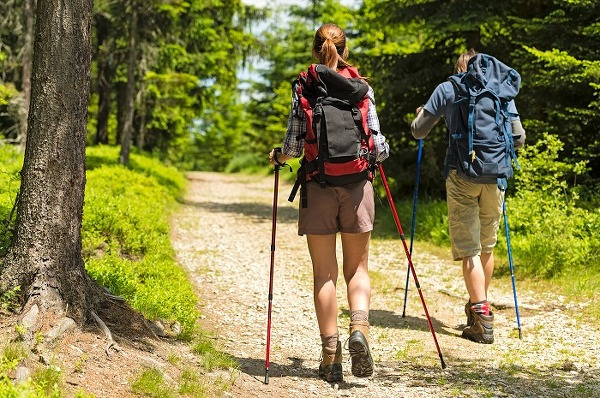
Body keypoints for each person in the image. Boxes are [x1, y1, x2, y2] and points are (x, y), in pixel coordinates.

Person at [269, 23, 389, 382]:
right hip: (357, 188)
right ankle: (360, 330)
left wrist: (279, 156)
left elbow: (293, 145)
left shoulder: (304, 86)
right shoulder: (361, 88)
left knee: (325, 273)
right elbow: (378, 145)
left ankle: (331, 356)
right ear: (345, 50)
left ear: (315, 50)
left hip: (318, 186)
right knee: (357, 270)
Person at [411, 50, 526, 344]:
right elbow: (519, 138)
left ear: (459, 67)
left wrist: (420, 116)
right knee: (486, 245)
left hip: (462, 174)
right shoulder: (502, 90)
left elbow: (418, 132)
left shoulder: (448, 87)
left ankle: (482, 317)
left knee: (469, 249)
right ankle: (479, 305)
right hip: (496, 176)